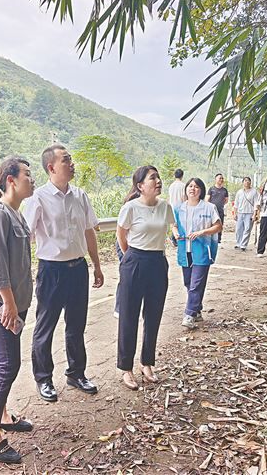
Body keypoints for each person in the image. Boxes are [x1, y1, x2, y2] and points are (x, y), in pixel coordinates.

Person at [24, 145, 104, 402]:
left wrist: (96, 265)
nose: (72, 164)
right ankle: (43, 378)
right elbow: (25, 237)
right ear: (51, 167)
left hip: (78, 268)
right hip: (52, 270)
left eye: (71, 159)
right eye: (66, 160)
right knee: (45, 326)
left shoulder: (80, 196)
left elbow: (89, 231)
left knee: (77, 325)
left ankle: (76, 373)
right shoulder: (38, 198)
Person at [0, 157, 36, 464]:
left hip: (13, 302)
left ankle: (1, 415)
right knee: (8, 364)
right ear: (10, 180)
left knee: (2, 361)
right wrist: (9, 303)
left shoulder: (15, 213)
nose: (32, 179)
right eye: (27, 174)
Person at [116, 166, 175, 391]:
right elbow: (121, 235)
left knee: (153, 315)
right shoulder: (130, 208)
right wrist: (130, 258)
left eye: (158, 177)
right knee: (128, 316)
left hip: (158, 262)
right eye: (153, 178)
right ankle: (126, 368)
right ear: (140, 186)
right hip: (135, 261)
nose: (158, 181)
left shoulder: (165, 207)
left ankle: (147, 363)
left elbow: (167, 231)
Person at [171, 178, 222, 329]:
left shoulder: (209, 207)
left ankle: (189, 314)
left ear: (201, 190)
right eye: (190, 186)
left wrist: (202, 232)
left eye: (196, 187)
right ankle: (197, 309)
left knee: (196, 283)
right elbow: (174, 225)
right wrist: (175, 233)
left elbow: (218, 226)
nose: (193, 189)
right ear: (186, 189)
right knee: (188, 282)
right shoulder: (178, 208)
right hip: (184, 249)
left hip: (202, 250)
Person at [232, 176, 259, 251]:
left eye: (248, 181)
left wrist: (254, 214)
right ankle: (238, 243)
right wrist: (235, 213)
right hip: (240, 213)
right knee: (238, 229)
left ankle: (243, 245)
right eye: (245, 180)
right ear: (243, 182)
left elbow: (256, 203)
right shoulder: (239, 192)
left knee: (247, 229)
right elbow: (236, 203)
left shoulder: (254, 192)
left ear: (250, 182)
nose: (247, 182)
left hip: (250, 213)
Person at [207, 173, 229, 245]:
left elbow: (226, 200)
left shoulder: (224, 190)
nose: (221, 179)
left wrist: (221, 204)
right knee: (211, 224)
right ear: (215, 179)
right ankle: (210, 237)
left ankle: (218, 239)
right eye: (220, 178)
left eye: (222, 178)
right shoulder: (211, 189)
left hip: (220, 210)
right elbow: (207, 199)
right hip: (212, 210)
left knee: (220, 224)